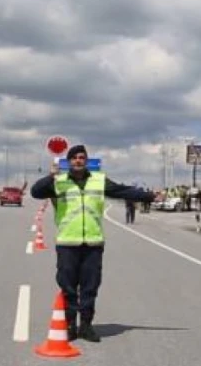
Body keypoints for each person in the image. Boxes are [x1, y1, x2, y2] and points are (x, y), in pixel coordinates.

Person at [30, 144, 155, 342]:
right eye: (74, 158)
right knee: (68, 286)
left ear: (86, 161)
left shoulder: (99, 180)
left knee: (90, 286)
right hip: (67, 242)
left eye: (82, 157)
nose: (78, 160)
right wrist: (50, 176)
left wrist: (150, 196)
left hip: (93, 243)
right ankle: (70, 325)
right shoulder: (59, 181)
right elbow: (35, 192)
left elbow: (123, 191)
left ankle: (86, 326)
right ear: (69, 161)